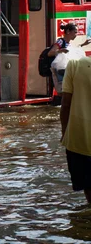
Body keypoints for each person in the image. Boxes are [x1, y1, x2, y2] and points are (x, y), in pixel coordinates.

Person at [60, 55, 91, 203]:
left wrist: (65, 132)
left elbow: (65, 104)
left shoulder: (74, 65)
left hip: (79, 139)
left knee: (88, 188)